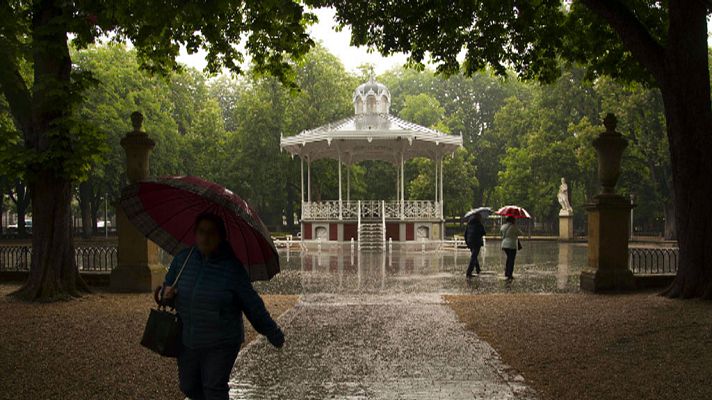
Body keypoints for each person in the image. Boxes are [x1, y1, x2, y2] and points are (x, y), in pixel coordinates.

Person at [160, 212, 284, 400]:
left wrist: (273, 332)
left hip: (221, 342)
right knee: (188, 385)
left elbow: (252, 304)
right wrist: (163, 294)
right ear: (195, 233)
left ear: (221, 237)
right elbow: (165, 289)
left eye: (211, 233)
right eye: (201, 232)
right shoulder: (183, 260)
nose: (205, 237)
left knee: (214, 388)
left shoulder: (232, 268)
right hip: (188, 339)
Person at [500, 216, 521, 280]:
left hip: (504, 245)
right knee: (511, 260)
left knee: (508, 258)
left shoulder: (503, 226)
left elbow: (501, 233)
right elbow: (520, 233)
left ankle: (506, 272)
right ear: (512, 220)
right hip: (512, 245)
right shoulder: (513, 227)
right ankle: (510, 274)